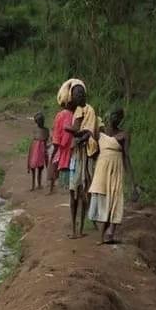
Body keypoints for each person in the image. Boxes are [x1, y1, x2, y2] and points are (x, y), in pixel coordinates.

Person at [89, 108, 138, 244]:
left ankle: (110, 232)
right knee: (102, 197)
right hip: (101, 169)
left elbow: (126, 157)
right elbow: (93, 150)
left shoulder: (124, 135)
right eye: (113, 115)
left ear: (121, 119)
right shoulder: (101, 133)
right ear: (109, 116)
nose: (115, 118)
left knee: (115, 197)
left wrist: (133, 183)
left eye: (118, 116)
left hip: (116, 169)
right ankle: (102, 234)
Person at [64, 81, 101, 239]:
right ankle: (74, 229)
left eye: (80, 93)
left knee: (84, 191)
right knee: (73, 192)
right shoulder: (78, 110)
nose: (78, 96)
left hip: (86, 154)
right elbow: (80, 131)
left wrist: (75, 133)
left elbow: (88, 132)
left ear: (85, 94)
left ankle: (80, 229)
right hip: (76, 155)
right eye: (75, 94)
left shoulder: (89, 110)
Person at [49, 82, 75, 194]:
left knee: (53, 162)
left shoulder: (60, 116)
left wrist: (54, 150)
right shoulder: (77, 114)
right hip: (73, 148)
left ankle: (53, 187)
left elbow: (57, 137)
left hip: (62, 148)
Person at [27, 112, 49, 191]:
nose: (40, 122)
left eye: (41, 121)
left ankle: (39, 184)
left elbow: (46, 140)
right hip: (35, 149)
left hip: (41, 149)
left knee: (40, 167)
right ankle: (33, 185)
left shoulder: (46, 130)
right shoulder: (37, 129)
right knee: (33, 167)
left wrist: (45, 149)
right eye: (38, 121)